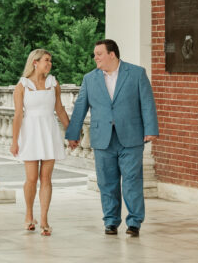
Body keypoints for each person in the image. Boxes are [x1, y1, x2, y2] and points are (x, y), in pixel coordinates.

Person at [65, 39, 158, 238]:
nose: (95, 57)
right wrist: (73, 135)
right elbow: (80, 107)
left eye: (98, 53)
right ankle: (110, 221)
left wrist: (151, 129)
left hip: (132, 137)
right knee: (107, 182)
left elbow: (147, 102)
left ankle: (134, 222)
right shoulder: (90, 79)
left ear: (112, 54)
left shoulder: (136, 73)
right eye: (95, 54)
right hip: (102, 139)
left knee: (132, 181)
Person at [10, 48, 71, 237]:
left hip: (49, 132)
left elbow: (59, 110)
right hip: (30, 133)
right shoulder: (22, 86)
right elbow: (18, 114)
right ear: (35, 62)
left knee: (46, 178)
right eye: (46, 60)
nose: (49, 63)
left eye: (50, 60)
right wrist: (14, 141)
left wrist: (71, 131)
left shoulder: (54, 83)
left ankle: (44, 219)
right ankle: (29, 215)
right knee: (31, 178)